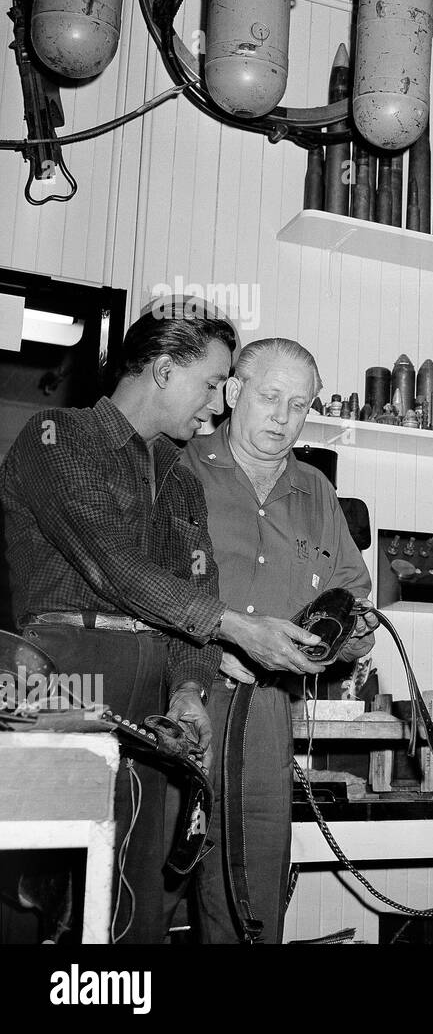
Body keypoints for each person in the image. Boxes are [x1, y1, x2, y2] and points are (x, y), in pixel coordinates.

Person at [0, 306, 325, 944]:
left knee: (132, 900)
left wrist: (185, 689)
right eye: (212, 384)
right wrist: (235, 627)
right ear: (164, 369)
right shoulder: (57, 436)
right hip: (68, 679)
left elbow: (192, 591)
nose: (216, 404)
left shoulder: (177, 480)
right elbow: (112, 567)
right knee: (56, 891)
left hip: (152, 693)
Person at [182, 337, 375, 944]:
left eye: (299, 404)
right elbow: (138, 587)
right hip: (177, 692)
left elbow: (352, 598)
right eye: (270, 398)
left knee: (252, 896)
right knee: (149, 880)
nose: (283, 417)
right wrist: (217, 647)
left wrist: (349, 634)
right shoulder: (177, 464)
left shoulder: (315, 489)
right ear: (234, 393)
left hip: (267, 710)